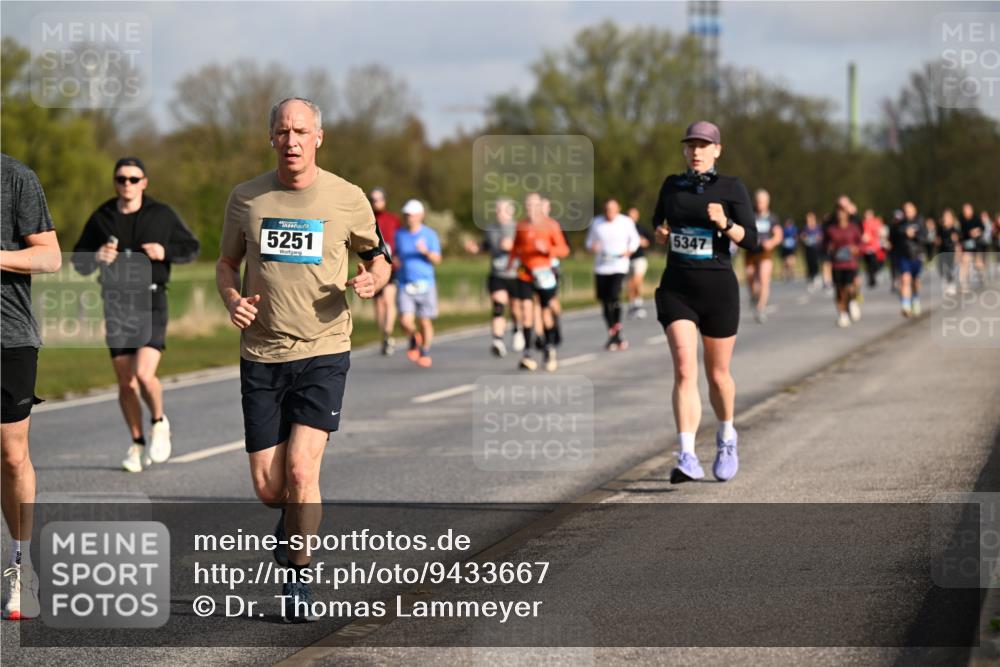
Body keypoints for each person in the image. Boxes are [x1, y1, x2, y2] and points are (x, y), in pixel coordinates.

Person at [216, 97, 391, 623]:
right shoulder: (247, 198)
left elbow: (378, 257)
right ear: (271, 138)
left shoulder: (346, 197)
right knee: (272, 491)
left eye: (300, 130)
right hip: (262, 354)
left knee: (300, 469)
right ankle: (290, 526)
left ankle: (299, 574)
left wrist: (372, 279)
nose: (291, 140)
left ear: (319, 137)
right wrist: (232, 300)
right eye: (282, 131)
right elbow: (226, 264)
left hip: (325, 350)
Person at [72, 157, 200, 472]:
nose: (126, 184)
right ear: (115, 182)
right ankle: (137, 443)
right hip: (115, 304)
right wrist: (96, 256)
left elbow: (192, 247)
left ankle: (159, 422)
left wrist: (165, 252)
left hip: (151, 301)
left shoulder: (162, 214)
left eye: (133, 178)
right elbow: (78, 260)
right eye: (121, 179)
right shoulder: (101, 217)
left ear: (144, 182)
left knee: (144, 374)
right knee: (126, 382)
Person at [651, 121, 757, 484]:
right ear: (684, 150)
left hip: (718, 290)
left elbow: (751, 240)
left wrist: (725, 222)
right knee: (684, 369)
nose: (696, 151)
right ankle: (687, 455)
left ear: (717, 150)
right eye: (691, 145)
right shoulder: (671, 185)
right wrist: (661, 233)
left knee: (718, 375)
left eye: (703, 145)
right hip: (677, 288)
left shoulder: (732, 187)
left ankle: (727, 437)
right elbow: (657, 224)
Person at [0, 154, 61, 621]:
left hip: (8, 336)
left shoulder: (16, 177)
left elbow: (49, 255)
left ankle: (22, 568)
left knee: (11, 453)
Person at [509, 192, 568, 372]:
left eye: (534, 205)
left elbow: (564, 250)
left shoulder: (551, 226)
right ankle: (527, 353)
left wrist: (548, 249)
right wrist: (511, 262)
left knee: (545, 311)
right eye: (527, 205)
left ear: (540, 206)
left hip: (545, 273)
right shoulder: (521, 225)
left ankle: (549, 349)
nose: (530, 208)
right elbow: (515, 247)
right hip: (525, 273)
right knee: (526, 310)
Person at [464, 198, 521, 357]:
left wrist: (513, 247)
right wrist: (475, 248)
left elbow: (526, 249)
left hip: (516, 274)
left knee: (516, 307)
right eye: (497, 210)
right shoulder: (491, 229)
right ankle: (498, 341)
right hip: (497, 274)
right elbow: (486, 246)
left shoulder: (518, 228)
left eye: (502, 210)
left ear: (511, 211)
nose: (498, 213)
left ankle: (517, 330)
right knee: (499, 305)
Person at [585, 199, 640, 351]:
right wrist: (592, 246)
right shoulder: (597, 222)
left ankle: (616, 333)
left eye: (612, 209)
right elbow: (589, 242)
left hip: (619, 265)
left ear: (618, 209)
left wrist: (629, 250)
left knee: (614, 296)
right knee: (604, 300)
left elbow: (634, 239)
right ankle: (614, 333)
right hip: (602, 266)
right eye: (607, 209)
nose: (610, 212)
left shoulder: (626, 222)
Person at [394, 199, 442, 368]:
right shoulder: (399, 234)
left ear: (420, 216)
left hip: (426, 284)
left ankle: (425, 351)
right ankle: (415, 337)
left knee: (425, 321)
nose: (409, 218)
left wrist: (425, 252)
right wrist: (395, 261)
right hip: (405, 283)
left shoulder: (429, 234)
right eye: (406, 215)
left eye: (412, 215)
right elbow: (396, 254)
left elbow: (437, 259)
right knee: (405, 321)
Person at [369, 188, 400, 356]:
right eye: (373, 200)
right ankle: (385, 335)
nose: (376, 202)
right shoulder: (367, 219)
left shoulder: (393, 219)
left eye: (379, 199)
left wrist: (399, 256)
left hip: (391, 266)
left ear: (384, 200)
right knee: (379, 304)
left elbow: (400, 239)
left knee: (389, 300)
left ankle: (388, 333)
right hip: (374, 267)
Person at [743, 189, 782, 323]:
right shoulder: (750, 215)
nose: (760, 204)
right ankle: (754, 296)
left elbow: (778, 235)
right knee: (750, 276)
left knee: (764, 279)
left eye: (762, 202)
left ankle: (761, 308)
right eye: (758, 201)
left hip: (765, 252)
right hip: (751, 250)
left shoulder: (772, 218)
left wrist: (771, 243)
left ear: (767, 203)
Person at [825, 206, 863, 327]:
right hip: (837, 264)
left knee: (850, 287)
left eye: (843, 213)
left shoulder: (853, 228)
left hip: (850, 263)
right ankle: (842, 315)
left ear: (847, 214)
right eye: (838, 213)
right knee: (839, 290)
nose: (840, 215)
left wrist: (856, 249)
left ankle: (852, 302)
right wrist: (830, 248)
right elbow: (825, 244)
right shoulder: (831, 229)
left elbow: (860, 243)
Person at [890, 201, 927, 317]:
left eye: (910, 210)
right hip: (903, 255)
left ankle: (915, 299)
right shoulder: (899, 223)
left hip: (916, 255)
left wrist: (914, 235)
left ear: (914, 210)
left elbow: (924, 237)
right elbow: (893, 236)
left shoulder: (920, 221)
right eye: (906, 211)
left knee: (915, 281)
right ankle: (905, 305)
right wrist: (903, 233)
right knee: (905, 279)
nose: (908, 213)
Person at [626, 206, 653, 318]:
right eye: (630, 215)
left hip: (639, 258)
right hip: (627, 259)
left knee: (636, 281)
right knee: (630, 283)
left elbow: (650, 240)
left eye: (634, 215)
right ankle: (633, 305)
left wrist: (644, 242)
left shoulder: (640, 228)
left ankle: (638, 303)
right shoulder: (623, 228)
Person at [937, 208, 962, 296]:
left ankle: (951, 285)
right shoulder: (940, 228)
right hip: (941, 250)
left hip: (951, 250)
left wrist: (958, 250)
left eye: (948, 217)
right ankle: (946, 283)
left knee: (950, 268)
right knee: (942, 268)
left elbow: (958, 241)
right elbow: (938, 239)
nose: (946, 218)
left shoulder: (954, 228)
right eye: (945, 217)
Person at [859, 208, 885, 288]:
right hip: (865, 247)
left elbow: (881, 232)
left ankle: (874, 276)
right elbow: (859, 234)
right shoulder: (862, 223)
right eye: (866, 214)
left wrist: (880, 235)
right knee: (868, 264)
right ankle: (871, 280)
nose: (867, 216)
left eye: (869, 214)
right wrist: (862, 237)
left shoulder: (876, 222)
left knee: (875, 263)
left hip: (875, 247)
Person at [800, 211, 823, 291]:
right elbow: (802, 236)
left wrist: (816, 238)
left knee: (815, 263)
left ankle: (816, 277)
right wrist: (805, 238)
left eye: (811, 218)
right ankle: (810, 280)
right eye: (808, 218)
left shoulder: (818, 227)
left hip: (816, 248)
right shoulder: (805, 228)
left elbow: (821, 236)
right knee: (809, 264)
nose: (809, 220)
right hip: (808, 249)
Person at [779, 217, 798, 281]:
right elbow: (781, 237)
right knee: (785, 262)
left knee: (791, 260)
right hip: (785, 247)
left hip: (792, 247)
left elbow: (795, 236)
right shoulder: (783, 229)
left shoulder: (794, 229)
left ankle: (791, 272)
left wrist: (794, 241)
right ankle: (785, 273)